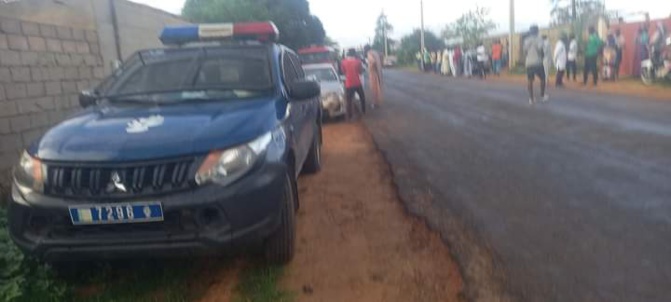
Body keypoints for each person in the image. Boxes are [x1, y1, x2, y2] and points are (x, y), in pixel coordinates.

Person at [524, 25, 547, 104]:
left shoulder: (526, 40)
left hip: (529, 63)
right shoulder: (539, 39)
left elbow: (525, 52)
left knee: (530, 80)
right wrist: (542, 55)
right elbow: (540, 49)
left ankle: (531, 99)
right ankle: (542, 96)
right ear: (537, 31)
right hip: (538, 62)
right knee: (543, 79)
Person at [340, 48, 366, 120]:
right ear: (354, 54)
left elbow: (343, 71)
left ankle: (349, 116)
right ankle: (363, 111)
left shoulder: (343, 62)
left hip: (349, 83)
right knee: (362, 97)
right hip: (357, 82)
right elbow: (360, 71)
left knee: (348, 100)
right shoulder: (358, 61)